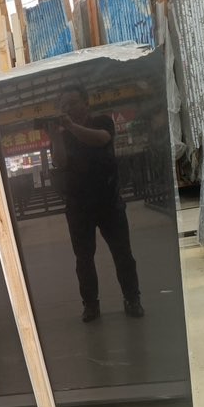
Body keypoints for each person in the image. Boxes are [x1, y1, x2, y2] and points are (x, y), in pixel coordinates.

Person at [47, 84, 144, 322]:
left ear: (86, 103)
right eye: (64, 105)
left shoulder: (102, 122)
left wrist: (71, 126)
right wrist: (55, 137)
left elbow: (101, 139)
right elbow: (60, 162)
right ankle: (90, 305)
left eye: (72, 103)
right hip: (78, 206)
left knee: (122, 253)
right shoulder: (63, 134)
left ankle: (132, 299)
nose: (68, 108)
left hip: (108, 201)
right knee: (84, 259)